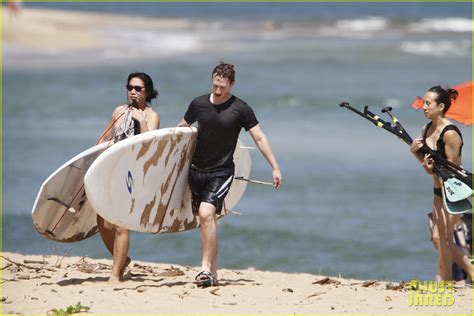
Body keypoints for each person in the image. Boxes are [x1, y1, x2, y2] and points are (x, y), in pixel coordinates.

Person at [178, 62, 282, 287]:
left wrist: (274, 166)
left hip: (222, 171)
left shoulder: (240, 109)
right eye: (215, 85)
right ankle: (212, 274)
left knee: (206, 214)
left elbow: (259, 138)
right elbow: (182, 130)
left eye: (222, 87)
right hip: (196, 170)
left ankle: (204, 267)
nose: (217, 90)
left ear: (231, 84)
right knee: (207, 221)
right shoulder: (198, 104)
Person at [97, 72, 160, 282]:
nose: (133, 92)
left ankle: (116, 275)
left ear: (147, 92)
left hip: (134, 176)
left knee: (120, 223)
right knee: (103, 222)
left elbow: (150, 148)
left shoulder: (151, 115)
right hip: (112, 170)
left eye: (138, 89)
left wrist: (141, 121)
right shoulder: (119, 111)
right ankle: (121, 260)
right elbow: (105, 139)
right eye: (130, 87)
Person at [410, 85, 472, 282]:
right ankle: (469, 272)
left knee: (444, 238)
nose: (424, 107)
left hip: (454, 191)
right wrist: (415, 153)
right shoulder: (426, 129)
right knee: (438, 238)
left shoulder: (450, 133)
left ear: (441, 106)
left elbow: (451, 171)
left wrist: (430, 168)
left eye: (428, 103)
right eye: (424, 103)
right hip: (438, 189)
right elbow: (431, 169)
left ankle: (445, 282)